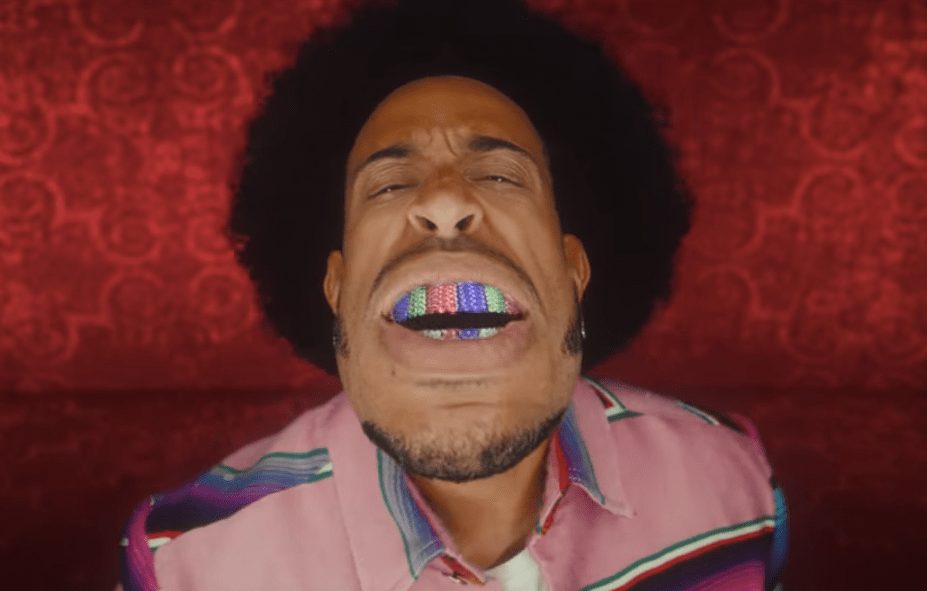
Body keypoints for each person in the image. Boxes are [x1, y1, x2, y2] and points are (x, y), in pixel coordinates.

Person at [118, 0, 788, 589]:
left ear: (574, 271)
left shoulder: (735, 482)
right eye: (388, 184)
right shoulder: (187, 564)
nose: (443, 203)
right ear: (337, 290)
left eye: (499, 174)